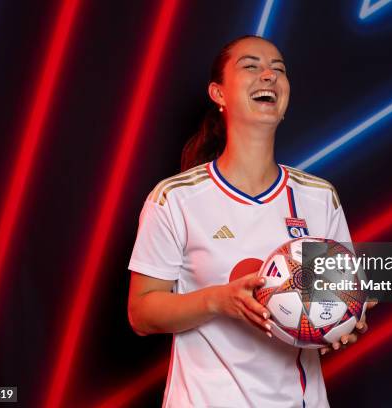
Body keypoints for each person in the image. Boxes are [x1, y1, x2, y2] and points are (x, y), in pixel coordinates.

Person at [128, 35, 371, 408]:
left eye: (279, 69)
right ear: (218, 93)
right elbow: (141, 312)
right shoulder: (175, 198)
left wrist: (344, 319)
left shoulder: (319, 197)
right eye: (252, 66)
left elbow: (341, 297)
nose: (269, 76)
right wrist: (219, 301)